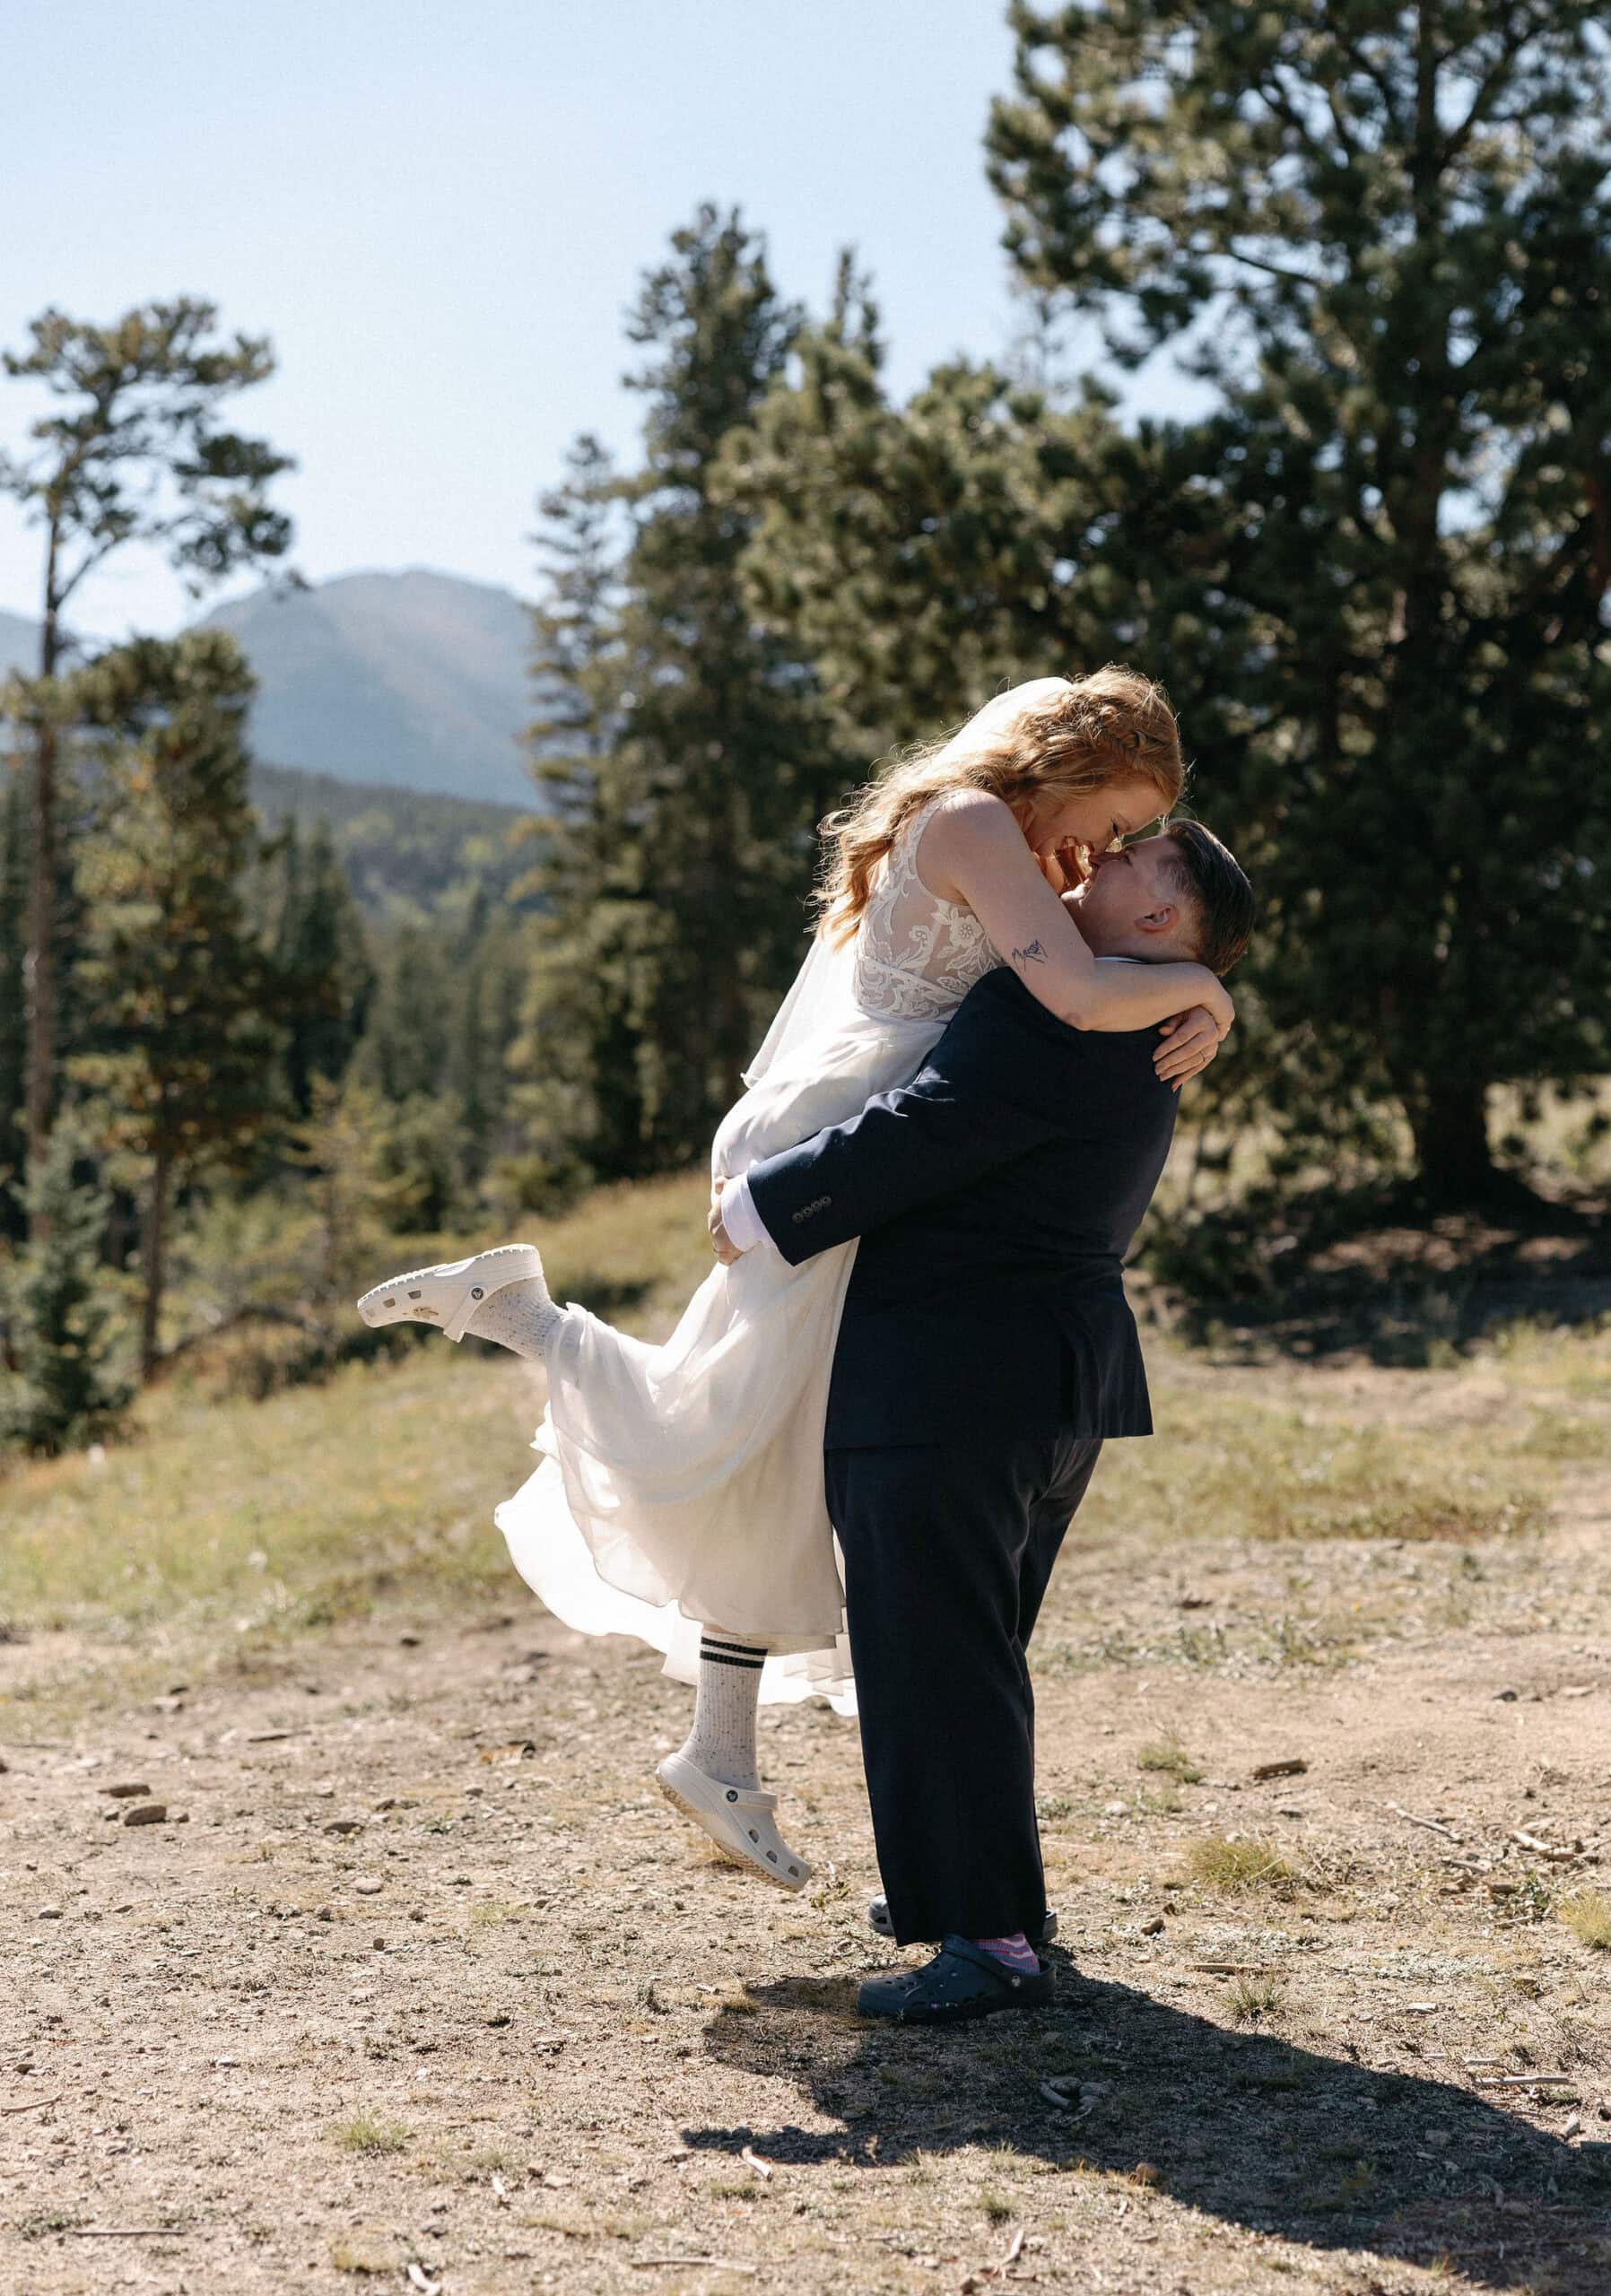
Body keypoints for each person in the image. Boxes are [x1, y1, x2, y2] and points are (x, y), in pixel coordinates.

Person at [357, 669, 1233, 1891]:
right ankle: (530, 1323)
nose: (1106, 851)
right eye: (1112, 816)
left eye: (1130, 839)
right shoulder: (983, 826)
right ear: (1069, 763)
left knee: (770, 1435)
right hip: (844, 1140)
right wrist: (1204, 986)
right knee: (724, 1425)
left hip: (862, 1142)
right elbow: (1081, 994)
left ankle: (722, 1754)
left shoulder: (1004, 833)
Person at [709, 822, 1255, 2022]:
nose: (1097, 860)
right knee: (968, 1655)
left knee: (935, 1661)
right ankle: (981, 1902)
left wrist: (762, 1206)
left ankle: (987, 1943)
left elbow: (934, 1128)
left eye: (1131, 863)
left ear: (1163, 922)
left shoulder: (1056, 1005)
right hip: (1047, 1380)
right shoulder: (1143, 1015)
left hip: (949, 1378)